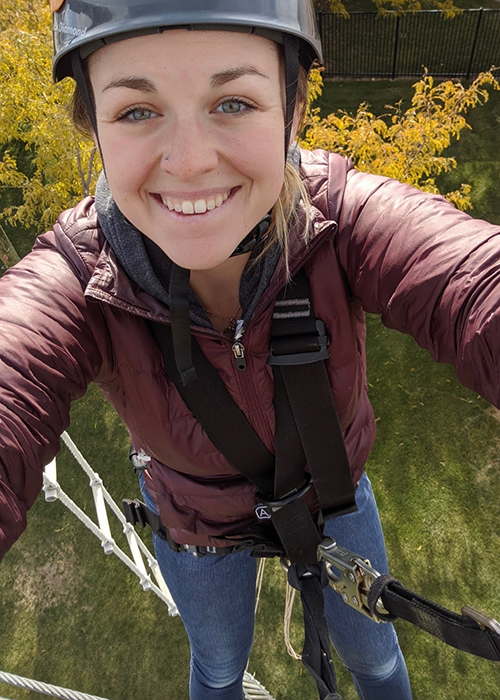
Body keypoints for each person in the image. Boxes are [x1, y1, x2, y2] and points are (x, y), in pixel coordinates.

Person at [1, 0, 500, 698]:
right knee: (217, 669)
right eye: (138, 111)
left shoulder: (340, 221)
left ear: (293, 112)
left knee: (378, 662)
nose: (191, 161)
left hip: (332, 492)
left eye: (233, 101)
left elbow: (474, 283)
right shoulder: (81, 278)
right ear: (95, 129)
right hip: (194, 519)